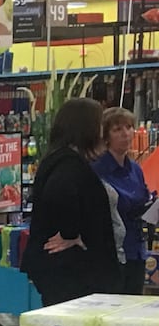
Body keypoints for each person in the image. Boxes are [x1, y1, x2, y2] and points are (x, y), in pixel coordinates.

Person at [22, 98, 123, 306]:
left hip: (61, 269)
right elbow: (60, 194)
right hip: (72, 273)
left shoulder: (57, 159)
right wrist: (72, 234)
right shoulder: (70, 164)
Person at [94, 108, 157, 294]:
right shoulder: (98, 170)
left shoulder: (136, 169)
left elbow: (144, 199)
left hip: (137, 248)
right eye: (118, 129)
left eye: (129, 127)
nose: (126, 134)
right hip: (113, 253)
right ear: (106, 136)